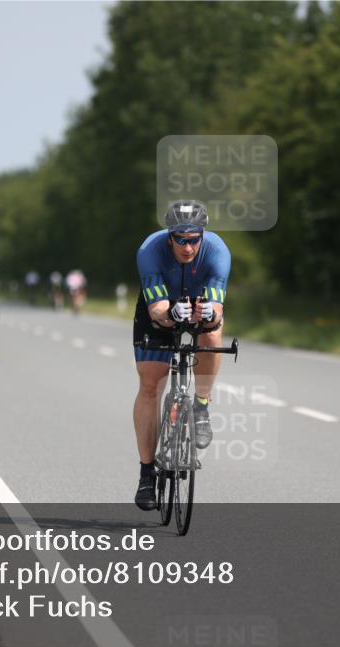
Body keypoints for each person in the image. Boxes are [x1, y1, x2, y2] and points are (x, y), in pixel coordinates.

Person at [131, 200, 230, 511]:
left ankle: (200, 405)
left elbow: (216, 312)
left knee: (213, 333)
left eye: (194, 239)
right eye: (181, 240)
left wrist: (209, 316)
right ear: (169, 236)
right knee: (150, 385)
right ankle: (147, 473)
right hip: (161, 308)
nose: (188, 247)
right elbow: (156, 309)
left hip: (200, 303)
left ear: (202, 235)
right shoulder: (150, 250)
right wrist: (170, 313)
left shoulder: (217, 252)